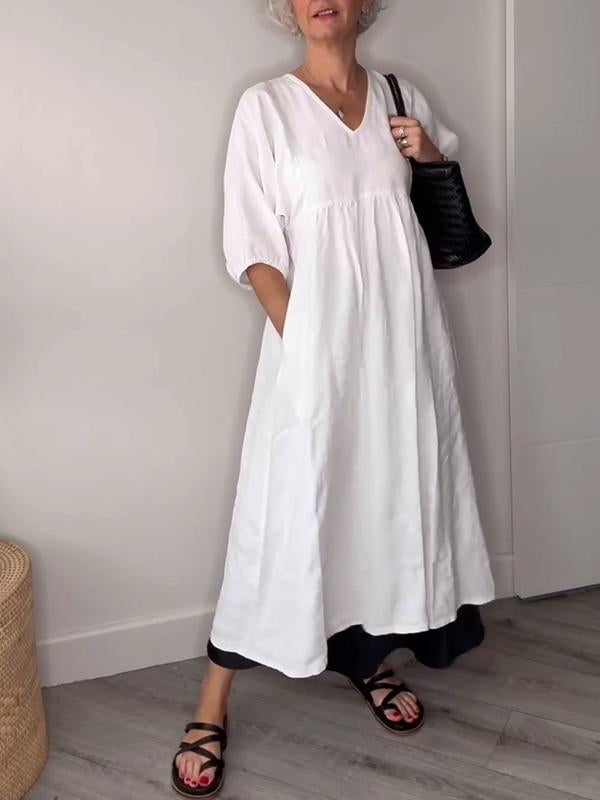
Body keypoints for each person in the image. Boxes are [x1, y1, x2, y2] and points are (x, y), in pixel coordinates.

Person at [171, 0, 496, 795]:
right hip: (314, 350)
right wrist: (306, 343)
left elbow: (435, 207)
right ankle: (212, 703)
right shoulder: (266, 108)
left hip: (403, 344)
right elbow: (252, 245)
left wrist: (427, 152)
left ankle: (367, 657)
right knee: (284, 510)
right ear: (286, 8)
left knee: (386, 499)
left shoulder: (399, 95)